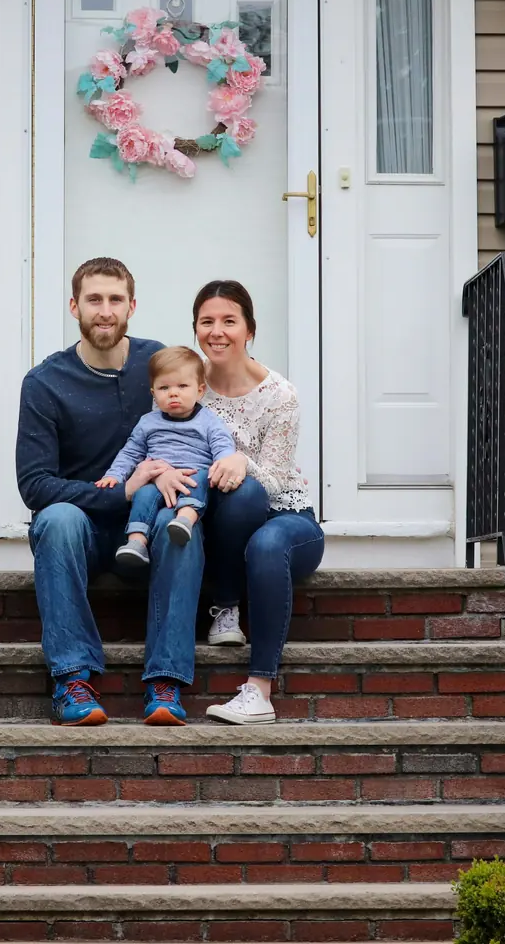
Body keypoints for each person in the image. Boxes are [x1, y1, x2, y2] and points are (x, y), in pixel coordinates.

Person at [16, 257, 206, 727]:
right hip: (81, 531)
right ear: (74, 306)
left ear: (132, 306)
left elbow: (196, 431)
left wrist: (165, 472)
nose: (105, 310)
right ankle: (73, 680)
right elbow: (34, 484)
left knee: (177, 523)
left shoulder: (157, 364)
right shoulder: (45, 383)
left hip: (150, 523)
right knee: (56, 519)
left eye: (115, 299)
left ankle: (166, 685)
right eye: (94, 299)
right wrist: (120, 492)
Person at [193, 280, 326, 724]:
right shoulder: (190, 389)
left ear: (249, 329)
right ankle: (225, 608)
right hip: (222, 525)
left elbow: (273, 479)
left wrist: (238, 462)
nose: (217, 331)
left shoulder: (280, 395)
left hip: (288, 519)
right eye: (207, 321)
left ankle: (259, 691)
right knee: (236, 495)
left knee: (264, 537)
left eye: (229, 321)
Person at [97, 346, 236, 569]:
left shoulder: (209, 421)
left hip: (193, 474)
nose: (173, 393)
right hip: (157, 479)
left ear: (200, 391)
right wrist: (114, 475)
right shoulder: (148, 422)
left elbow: (222, 446)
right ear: (153, 393)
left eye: (182, 386)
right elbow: (131, 452)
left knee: (200, 478)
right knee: (143, 494)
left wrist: (226, 463)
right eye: (164, 387)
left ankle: (185, 520)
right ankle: (136, 542)